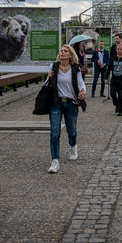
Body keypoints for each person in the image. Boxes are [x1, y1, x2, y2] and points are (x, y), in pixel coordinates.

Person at [47, 44, 86, 173]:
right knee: (55, 132)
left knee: (72, 131)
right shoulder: (54, 67)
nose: (62, 53)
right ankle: (55, 161)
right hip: (56, 103)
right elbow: (47, 85)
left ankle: (73, 145)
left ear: (70, 55)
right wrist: (49, 77)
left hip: (71, 103)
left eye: (65, 51)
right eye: (61, 51)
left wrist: (82, 91)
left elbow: (81, 83)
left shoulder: (75, 68)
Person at [108, 43, 122, 115]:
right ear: (116, 50)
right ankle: (117, 105)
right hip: (114, 80)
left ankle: (121, 111)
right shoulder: (113, 58)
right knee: (112, 94)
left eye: (120, 49)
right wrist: (106, 78)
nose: (119, 51)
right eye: (118, 49)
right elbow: (109, 68)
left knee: (121, 96)